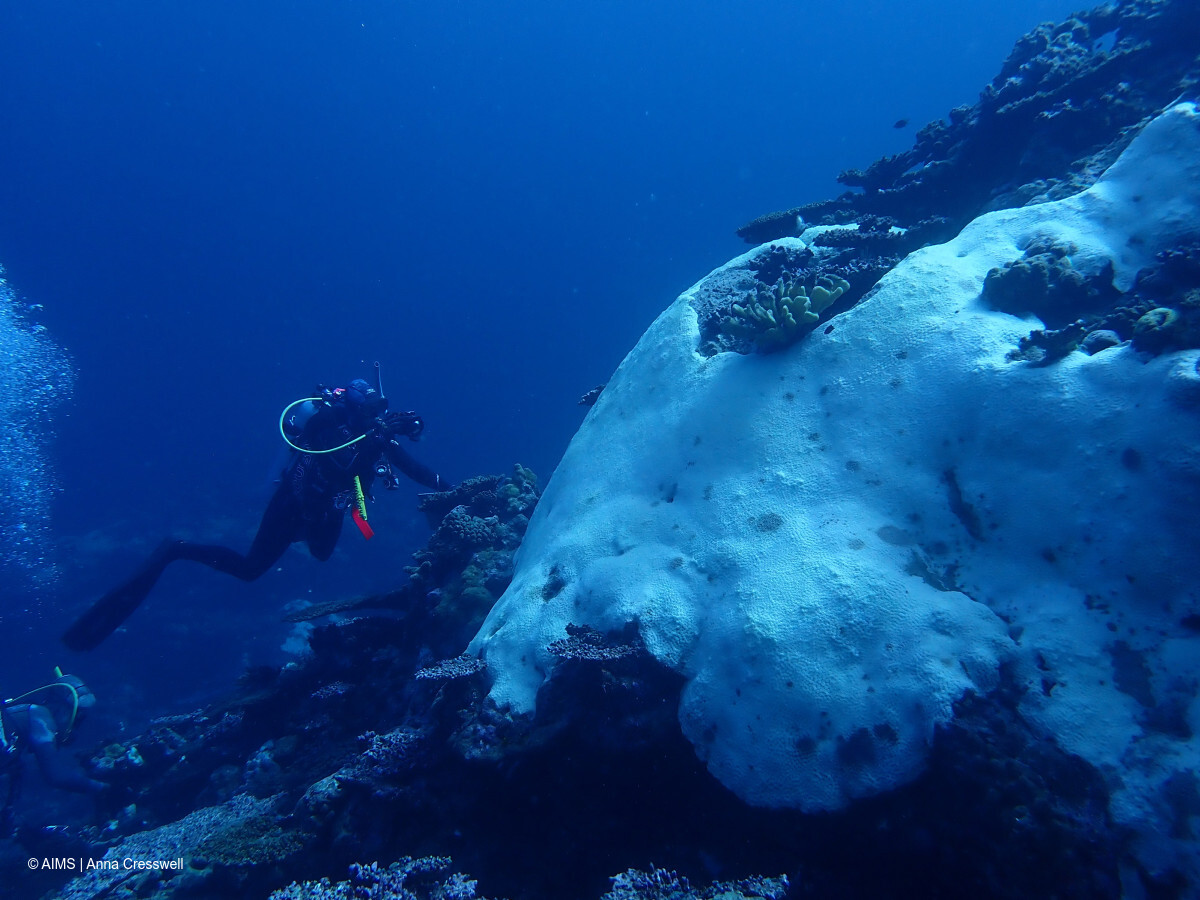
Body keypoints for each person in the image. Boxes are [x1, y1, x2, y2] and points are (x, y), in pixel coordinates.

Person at [62, 370, 453, 651]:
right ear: (350, 409)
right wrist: (378, 436)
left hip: (326, 510)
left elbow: (415, 469)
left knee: (320, 553)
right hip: (292, 504)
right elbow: (341, 466)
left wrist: (456, 492)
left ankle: (186, 549)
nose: (373, 415)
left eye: (376, 410)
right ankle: (175, 550)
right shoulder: (325, 427)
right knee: (250, 570)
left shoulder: (373, 434)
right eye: (367, 410)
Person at [0, 668, 106, 832]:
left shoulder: (17, 722)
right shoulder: (38, 716)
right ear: (63, 708)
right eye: (78, 716)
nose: (76, 725)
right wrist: (104, 788)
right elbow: (56, 776)